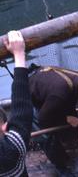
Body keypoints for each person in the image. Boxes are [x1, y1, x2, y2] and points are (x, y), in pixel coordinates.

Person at [29, 64, 78, 174]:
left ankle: (70, 145)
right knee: (46, 136)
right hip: (30, 94)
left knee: (74, 123)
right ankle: (62, 167)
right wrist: (66, 119)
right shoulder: (60, 94)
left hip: (52, 93)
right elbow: (43, 119)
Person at [0, 31, 33, 176]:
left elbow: (22, 112)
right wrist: (19, 54)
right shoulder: (11, 151)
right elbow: (22, 105)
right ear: (4, 128)